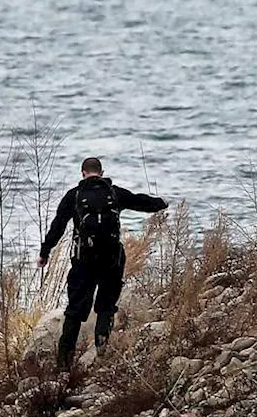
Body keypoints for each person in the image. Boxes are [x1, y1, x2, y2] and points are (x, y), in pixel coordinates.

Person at [38, 157, 168, 371]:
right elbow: (140, 201)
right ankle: (102, 350)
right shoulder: (115, 193)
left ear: (82, 173)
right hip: (111, 259)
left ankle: (63, 366)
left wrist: (45, 252)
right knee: (106, 306)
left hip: (83, 262)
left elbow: (57, 226)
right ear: (101, 171)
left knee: (74, 311)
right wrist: (162, 203)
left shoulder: (74, 196)